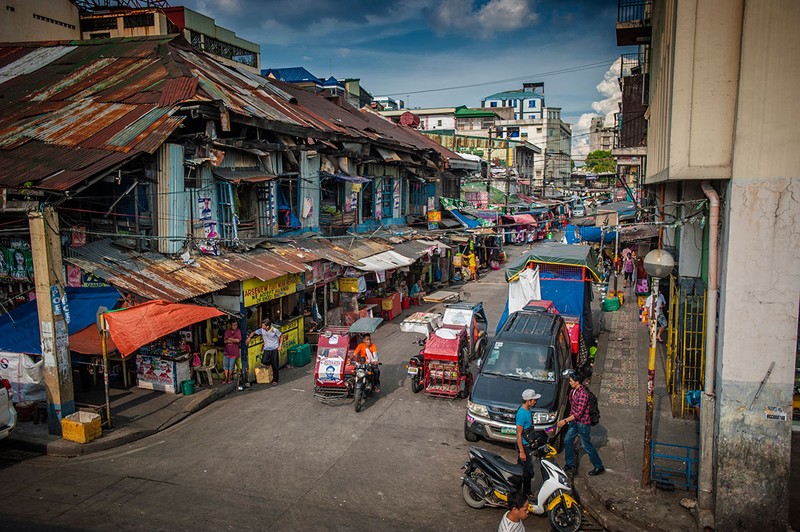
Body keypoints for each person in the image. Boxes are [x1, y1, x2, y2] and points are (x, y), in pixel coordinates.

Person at [557, 371, 604, 476]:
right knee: (568, 440)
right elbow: (573, 408)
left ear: (577, 382)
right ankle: (570, 464)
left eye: (571, 381)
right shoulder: (573, 391)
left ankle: (598, 466)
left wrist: (565, 421)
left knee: (586, 445)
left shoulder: (583, 394)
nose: (569, 382)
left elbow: (578, 413)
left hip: (583, 424)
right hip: (574, 422)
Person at [516, 388, 542, 496]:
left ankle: (523, 491)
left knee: (524, 470)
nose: (535, 402)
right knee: (526, 471)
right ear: (528, 401)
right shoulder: (521, 414)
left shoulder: (528, 411)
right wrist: (522, 451)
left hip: (528, 446)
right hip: (524, 446)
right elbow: (519, 434)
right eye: (533, 400)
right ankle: (524, 492)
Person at [246, 318, 283, 386]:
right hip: (267, 349)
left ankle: (275, 379)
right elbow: (253, 332)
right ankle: (270, 367)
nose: (262, 327)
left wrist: (280, 346)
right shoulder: (262, 330)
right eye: (262, 325)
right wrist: (249, 338)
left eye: (263, 326)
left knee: (275, 365)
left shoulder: (274, 330)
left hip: (274, 349)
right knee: (264, 361)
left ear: (268, 326)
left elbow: (281, 336)